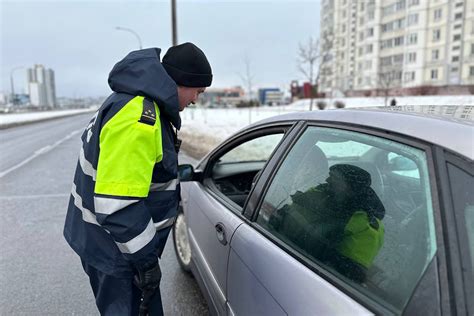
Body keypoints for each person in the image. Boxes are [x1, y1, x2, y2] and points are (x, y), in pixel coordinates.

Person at [63, 42, 212, 315]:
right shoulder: (139, 119)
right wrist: (146, 264)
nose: (195, 100)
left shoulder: (133, 101)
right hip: (117, 252)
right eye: (198, 91)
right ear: (183, 82)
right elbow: (118, 205)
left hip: (108, 243)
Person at [270, 164, 385, 283]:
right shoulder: (317, 193)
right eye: (329, 176)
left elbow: (350, 274)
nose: (327, 180)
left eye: (335, 178)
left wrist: (325, 252)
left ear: (351, 188)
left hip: (312, 277)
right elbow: (287, 214)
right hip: (280, 250)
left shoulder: (368, 226)